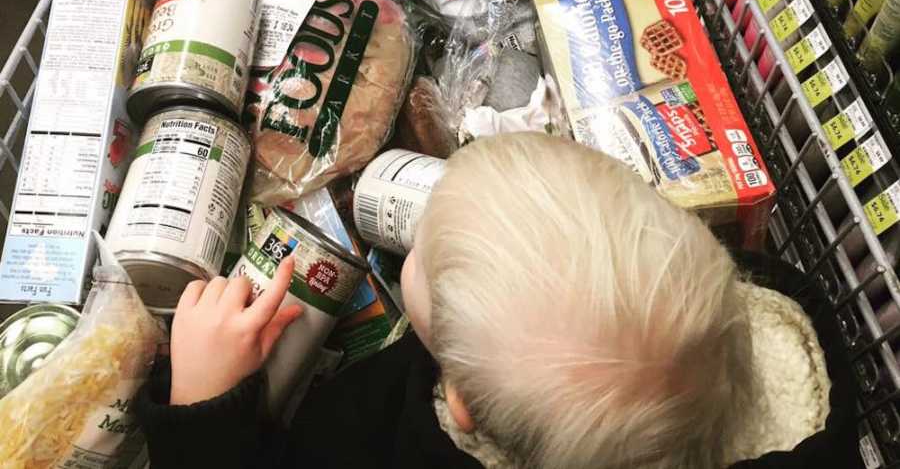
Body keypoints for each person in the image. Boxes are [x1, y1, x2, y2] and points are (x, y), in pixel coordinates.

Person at [135, 133, 860, 468]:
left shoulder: (404, 446)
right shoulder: (731, 323)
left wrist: (205, 416)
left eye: (422, 259)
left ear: (462, 409)